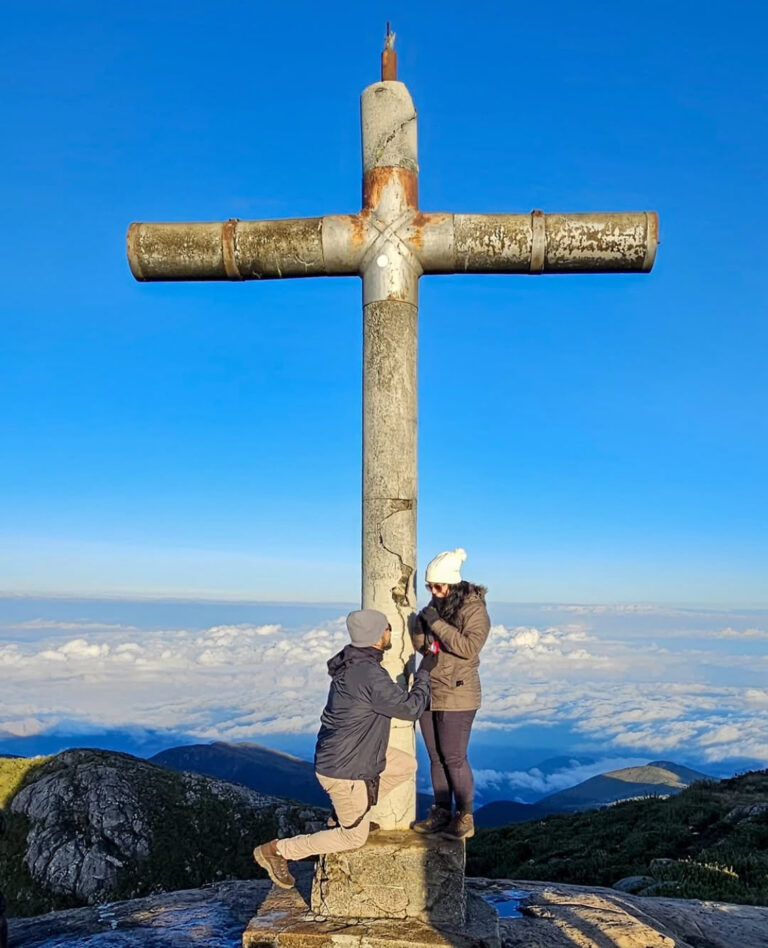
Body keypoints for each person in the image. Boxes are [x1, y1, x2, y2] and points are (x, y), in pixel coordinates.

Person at [254, 608, 436, 888]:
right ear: (378, 636)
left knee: (404, 765)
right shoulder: (368, 674)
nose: (391, 631)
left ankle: (351, 814)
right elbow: (410, 709)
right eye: (388, 627)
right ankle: (278, 850)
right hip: (346, 769)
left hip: (349, 754)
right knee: (354, 838)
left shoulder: (353, 665)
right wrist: (424, 674)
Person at [410, 547, 490, 841]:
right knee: (435, 757)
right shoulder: (436, 607)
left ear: (453, 583)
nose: (433, 591)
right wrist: (419, 627)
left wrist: (435, 623)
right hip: (430, 687)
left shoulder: (474, 610)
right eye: (429, 586)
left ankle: (465, 817)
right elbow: (423, 646)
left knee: (454, 757)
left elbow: (468, 647)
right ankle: (441, 811)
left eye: (438, 586)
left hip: (459, 693)